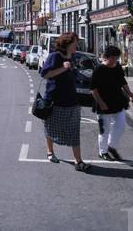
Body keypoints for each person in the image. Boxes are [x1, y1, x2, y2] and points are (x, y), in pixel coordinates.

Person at [39, 32, 90, 172]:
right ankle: (50, 152)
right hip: (55, 100)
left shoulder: (72, 57)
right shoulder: (55, 56)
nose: (77, 45)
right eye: (75, 42)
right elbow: (45, 74)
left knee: (74, 131)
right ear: (67, 43)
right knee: (50, 127)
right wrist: (63, 68)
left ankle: (78, 161)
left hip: (71, 100)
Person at [91, 45, 133, 161]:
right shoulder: (98, 70)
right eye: (113, 58)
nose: (115, 60)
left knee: (121, 125)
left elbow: (123, 82)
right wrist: (100, 103)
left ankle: (111, 146)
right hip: (103, 104)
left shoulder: (117, 67)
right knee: (104, 130)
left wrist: (130, 94)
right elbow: (93, 90)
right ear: (106, 57)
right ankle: (103, 152)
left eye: (117, 58)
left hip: (117, 102)